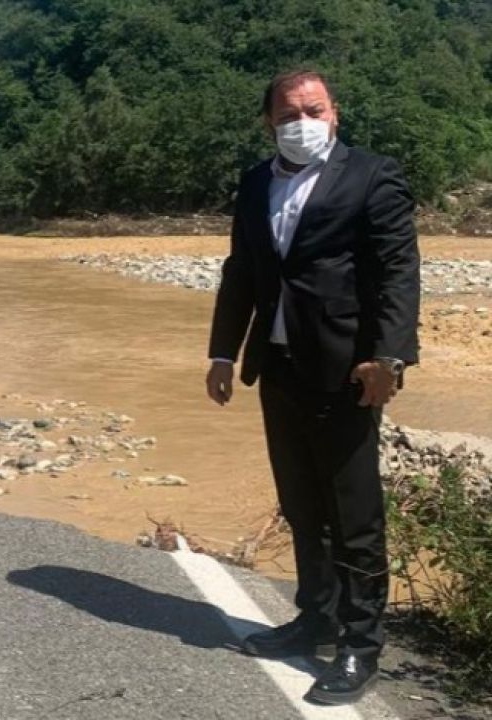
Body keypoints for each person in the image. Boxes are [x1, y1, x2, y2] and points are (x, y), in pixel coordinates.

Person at [205, 69, 420, 705]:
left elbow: (398, 270)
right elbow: (242, 271)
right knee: (301, 503)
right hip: (277, 367)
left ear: (335, 113)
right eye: (288, 114)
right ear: (268, 122)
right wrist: (222, 352)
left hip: (347, 368)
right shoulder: (255, 183)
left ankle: (361, 644)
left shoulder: (372, 175)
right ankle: (316, 617)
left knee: (354, 514)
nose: (302, 122)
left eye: (314, 110)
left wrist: (388, 358)